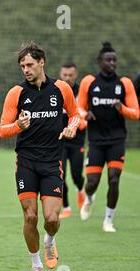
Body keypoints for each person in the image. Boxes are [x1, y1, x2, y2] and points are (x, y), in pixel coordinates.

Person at [0, 42, 80, 271]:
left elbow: (75, 115)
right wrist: (17, 125)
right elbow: (3, 130)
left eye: (30, 64)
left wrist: (72, 129)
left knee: (52, 218)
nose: (26, 69)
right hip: (25, 162)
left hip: (52, 161)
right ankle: (36, 265)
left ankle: (50, 240)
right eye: (22, 66)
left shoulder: (61, 88)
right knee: (31, 216)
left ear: (42, 62)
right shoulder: (16, 93)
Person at [78, 42, 139, 232]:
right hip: (96, 141)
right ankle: (89, 198)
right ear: (99, 62)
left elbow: (136, 113)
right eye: (108, 60)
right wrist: (84, 115)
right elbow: (78, 107)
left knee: (114, 179)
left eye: (114, 60)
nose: (112, 63)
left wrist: (123, 109)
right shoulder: (89, 82)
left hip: (116, 140)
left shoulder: (125, 83)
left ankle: (108, 220)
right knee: (92, 183)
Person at [58, 62, 87, 219]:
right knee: (60, 175)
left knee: (77, 175)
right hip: (60, 141)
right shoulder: (56, 91)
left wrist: (83, 121)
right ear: (60, 74)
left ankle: (81, 190)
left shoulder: (81, 93)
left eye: (70, 75)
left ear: (75, 75)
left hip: (77, 141)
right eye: (65, 75)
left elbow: (85, 114)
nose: (67, 78)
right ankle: (66, 208)